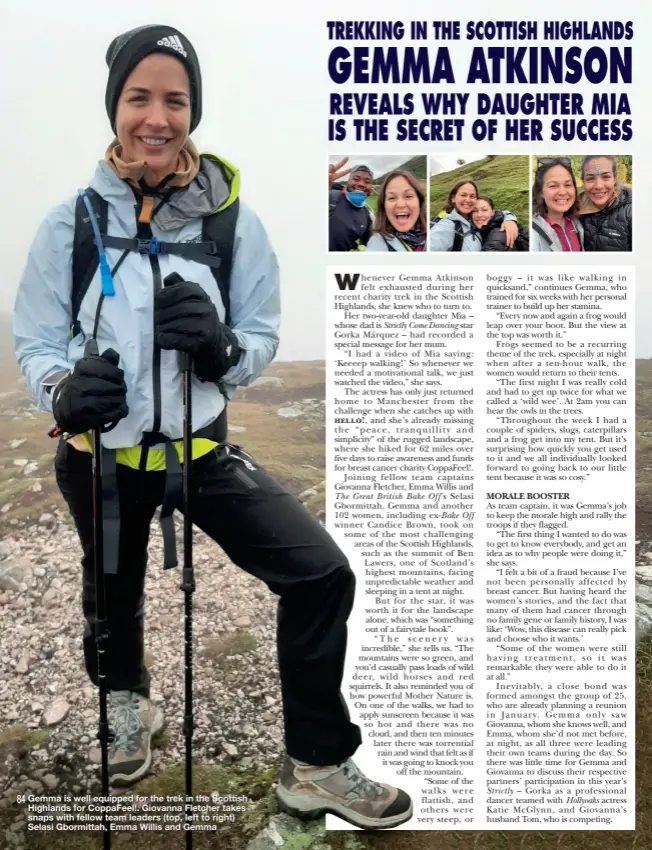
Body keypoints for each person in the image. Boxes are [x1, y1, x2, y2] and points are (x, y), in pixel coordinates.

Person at [13, 25, 412, 830]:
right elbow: (34, 338)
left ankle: (317, 764)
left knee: (321, 572)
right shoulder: (71, 223)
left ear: (192, 113)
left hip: (204, 453)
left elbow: (262, 332)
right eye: (140, 98)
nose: (156, 117)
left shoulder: (233, 223)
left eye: (176, 100)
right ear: (115, 107)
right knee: (110, 596)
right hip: (102, 458)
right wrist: (61, 394)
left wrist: (224, 350)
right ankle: (129, 706)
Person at [429, 180, 519, 252]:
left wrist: (509, 218)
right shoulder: (447, 226)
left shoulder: (471, 223)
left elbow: (499, 213)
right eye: (463, 195)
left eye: (472, 196)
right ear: (453, 198)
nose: (468, 200)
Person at [578, 155, 632, 251]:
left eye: (606, 177)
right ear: (583, 181)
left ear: (614, 179)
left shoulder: (633, 211)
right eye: (590, 178)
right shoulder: (575, 208)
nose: (598, 186)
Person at [530, 158, 584, 252]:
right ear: (540, 192)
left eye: (568, 185)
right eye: (553, 186)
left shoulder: (576, 224)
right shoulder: (533, 232)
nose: (562, 192)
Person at [366, 170, 427, 252]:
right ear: (383, 206)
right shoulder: (377, 243)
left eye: (408, 196)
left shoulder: (433, 232)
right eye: (392, 198)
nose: (400, 204)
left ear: (419, 201)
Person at [328, 158, 374, 252]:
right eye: (356, 179)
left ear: (371, 187)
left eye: (367, 181)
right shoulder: (330, 197)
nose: (361, 184)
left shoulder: (367, 215)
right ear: (348, 182)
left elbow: (369, 246)